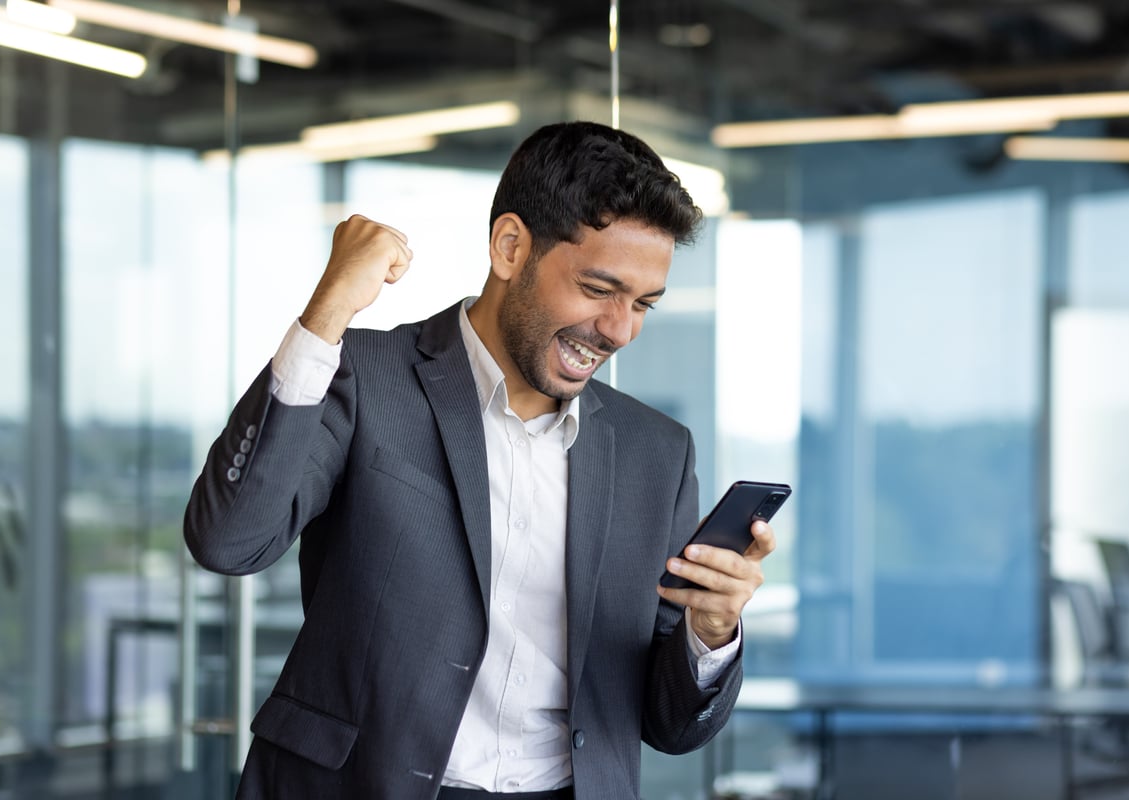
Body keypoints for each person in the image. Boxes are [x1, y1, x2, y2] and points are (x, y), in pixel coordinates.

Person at [184, 120, 776, 800]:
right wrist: (329, 310)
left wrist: (709, 633)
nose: (619, 329)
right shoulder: (364, 377)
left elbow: (669, 725)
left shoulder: (657, 453)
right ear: (510, 248)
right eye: (597, 289)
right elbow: (229, 541)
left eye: (642, 304)